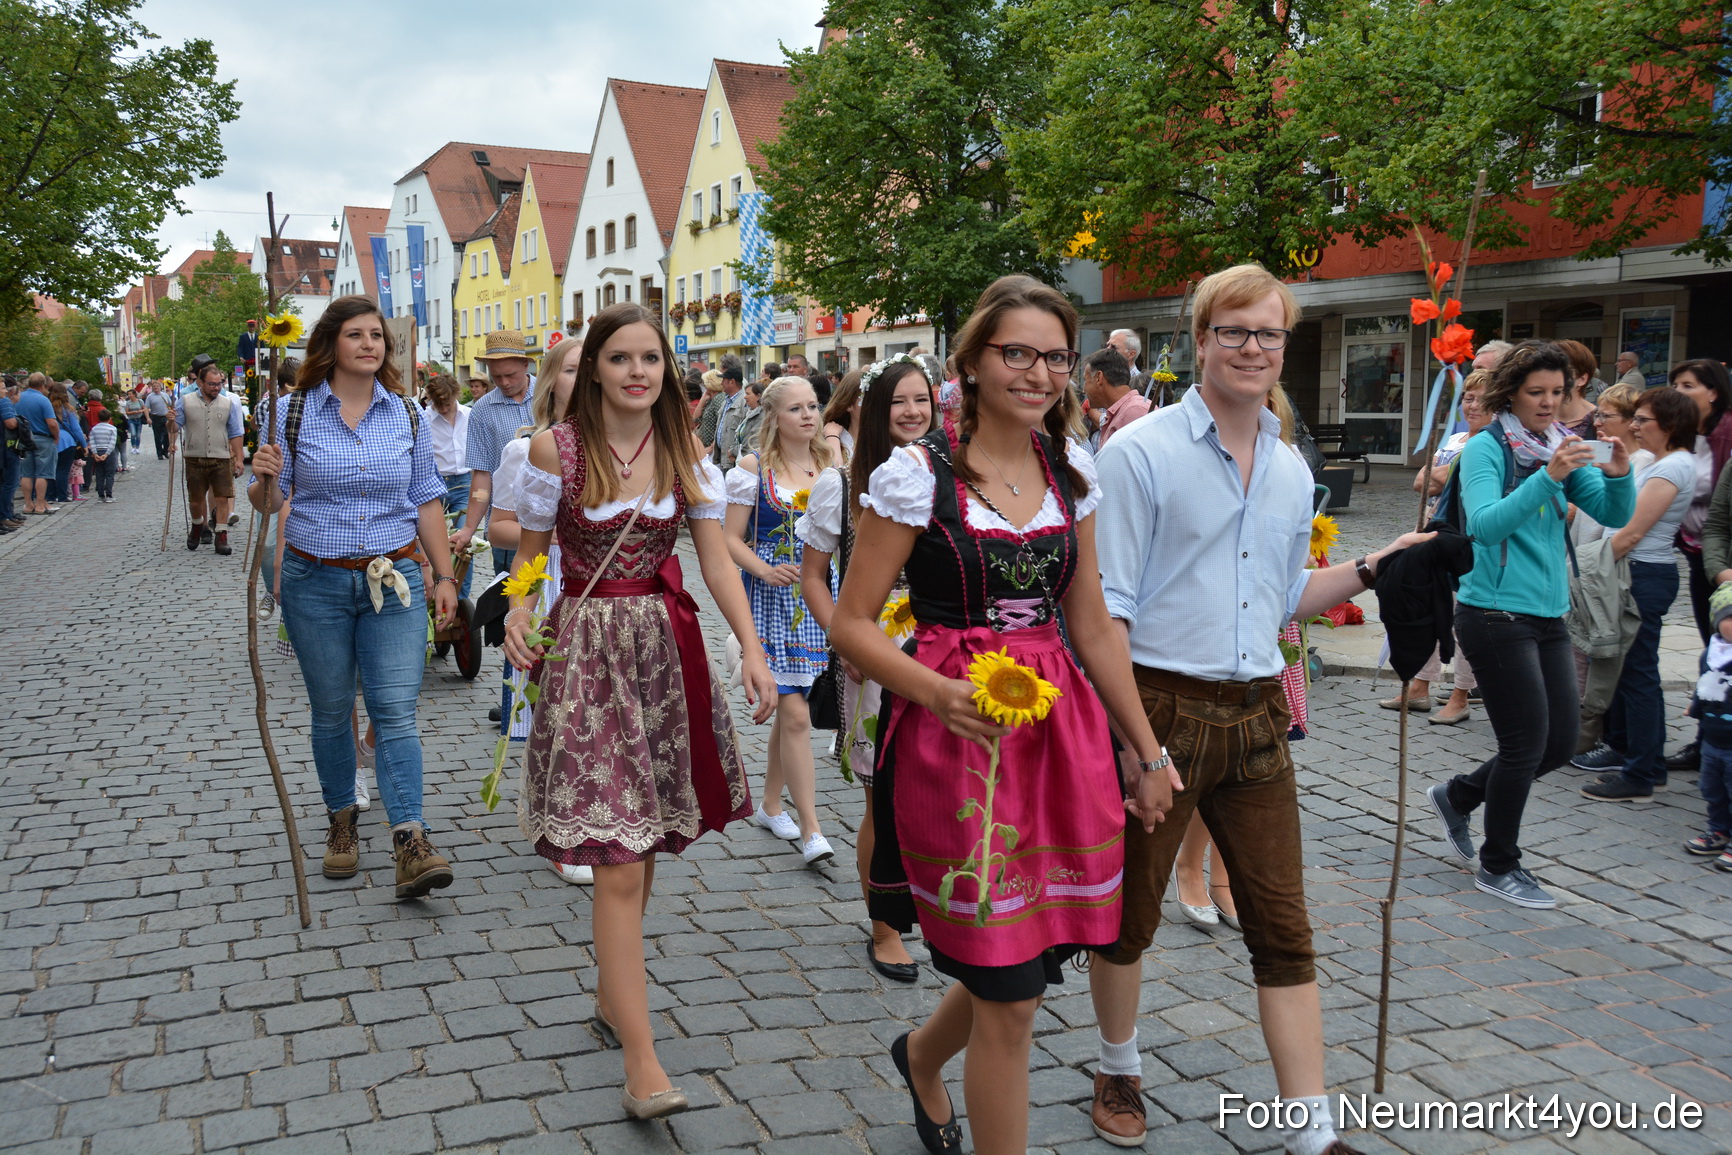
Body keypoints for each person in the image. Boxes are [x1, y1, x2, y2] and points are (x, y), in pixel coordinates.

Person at [830, 275, 1170, 1155]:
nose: (1038, 371)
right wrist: (934, 688)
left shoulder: (1073, 471)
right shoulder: (916, 475)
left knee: (1022, 965)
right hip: (957, 740)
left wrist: (1145, 745)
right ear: (972, 363)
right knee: (1011, 997)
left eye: (1054, 355)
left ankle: (920, 1054)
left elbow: (1090, 622)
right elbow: (853, 621)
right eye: (1015, 352)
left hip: (1058, 739)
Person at [1093, 264, 1428, 1153]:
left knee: (1284, 926)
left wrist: (1374, 564)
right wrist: (1137, 746)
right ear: (1198, 339)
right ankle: (1118, 1063)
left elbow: (1282, 594)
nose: (1252, 348)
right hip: (1160, 704)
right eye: (1234, 331)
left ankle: (1310, 1131)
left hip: (1255, 714)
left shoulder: (1286, 464)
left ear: (1285, 345)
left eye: (1268, 334)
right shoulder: (1140, 452)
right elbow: (1107, 613)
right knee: (1130, 917)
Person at [503, 302, 775, 1120]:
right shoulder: (559, 449)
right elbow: (529, 554)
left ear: (667, 369)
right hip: (586, 654)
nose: (636, 371)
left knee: (645, 836)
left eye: (650, 358)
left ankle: (608, 990)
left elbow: (717, 560)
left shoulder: (686, 451)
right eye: (619, 357)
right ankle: (642, 1058)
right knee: (617, 857)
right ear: (592, 371)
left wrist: (751, 647)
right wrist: (518, 610)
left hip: (663, 648)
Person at [246, 294, 460, 900]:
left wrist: (444, 576)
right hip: (315, 581)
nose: (370, 345)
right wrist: (263, 478)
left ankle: (410, 840)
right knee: (333, 708)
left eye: (378, 337)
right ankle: (342, 819)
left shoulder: (408, 414)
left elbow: (425, 500)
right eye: (356, 335)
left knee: (394, 710)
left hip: (394, 581)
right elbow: (268, 506)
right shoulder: (289, 413)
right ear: (330, 344)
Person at [1425, 340, 1633, 910]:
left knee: (1560, 741)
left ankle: (1458, 794)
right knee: (1524, 744)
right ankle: (1499, 864)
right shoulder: (1488, 449)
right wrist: (1546, 479)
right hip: (1493, 614)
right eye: (1535, 392)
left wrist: (1617, 475)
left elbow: (1613, 514)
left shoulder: (1557, 443)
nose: (1547, 403)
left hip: (1547, 613)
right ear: (1511, 392)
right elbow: (1486, 526)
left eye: (1557, 393)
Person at [797, 353, 934, 982]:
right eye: (899, 403)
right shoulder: (842, 484)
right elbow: (814, 579)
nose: (912, 413)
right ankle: (885, 926)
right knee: (886, 795)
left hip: (936, 649)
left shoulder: (946, 477)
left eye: (922, 402)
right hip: (871, 653)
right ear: (872, 411)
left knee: (931, 787)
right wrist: (845, 642)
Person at [725, 376, 838, 867]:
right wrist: (763, 569)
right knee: (794, 714)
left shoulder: (831, 466)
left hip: (816, 596)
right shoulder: (753, 469)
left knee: (790, 708)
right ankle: (812, 828)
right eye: (796, 409)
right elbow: (728, 539)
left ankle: (771, 805)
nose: (809, 416)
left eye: (813, 406)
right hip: (768, 601)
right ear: (773, 417)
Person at [1576, 387, 1699, 801]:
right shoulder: (1664, 462)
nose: (1634, 425)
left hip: (1640, 574)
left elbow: (1631, 533)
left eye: (1642, 420)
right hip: (1635, 572)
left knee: (1638, 675)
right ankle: (1643, 763)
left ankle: (1642, 773)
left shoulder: (1673, 468)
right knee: (1632, 672)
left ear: (1669, 424)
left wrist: (1585, 569)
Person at [1380, 371, 1492, 722]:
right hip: (1434, 540)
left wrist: (1445, 472)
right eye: (1467, 398)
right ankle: (1419, 688)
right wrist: (1444, 472)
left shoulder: (1494, 444)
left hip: (1469, 544)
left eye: (1480, 398)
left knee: (1463, 620)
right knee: (1428, 609)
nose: (1471, 405)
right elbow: (1420, 482)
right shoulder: (1458, 439)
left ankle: (1460, 696)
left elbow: (1443, 480)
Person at [450, 330, 536, 583]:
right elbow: (482, 474)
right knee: (508, 595)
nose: (505, 382)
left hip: (555, 517)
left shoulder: (552, 395)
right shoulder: (482, 410)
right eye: (496, 376)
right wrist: (468, 528)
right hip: (508, 523)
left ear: (525, 364)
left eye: (511, 375)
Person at [172, 354, 245, 556]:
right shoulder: (184, 401)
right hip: (194, 457)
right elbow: (174, 427)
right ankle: (197, 526)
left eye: (219, 384)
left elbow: (236, 432)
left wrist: (239, 458)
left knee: (222, 498)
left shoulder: (228, 403)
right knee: (195, 500)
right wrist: (170, 420)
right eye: (212, 384)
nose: (216, 387)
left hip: (221, 457)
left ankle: (221, 536)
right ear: (200, 382)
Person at [1684, 584, 1732, 872]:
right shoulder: (1711, 652)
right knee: (1712, 788)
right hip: (1713, 738)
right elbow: (1705, 683)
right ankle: (1718, 830)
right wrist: (1696, 705)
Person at [423, 373, 473, 598]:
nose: (443, 409)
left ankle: (462, 600)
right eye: (438, 404)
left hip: (464, 484)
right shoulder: (424, 419)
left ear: (456, 396)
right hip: (437, 485)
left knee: (465, 543)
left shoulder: (470, 415)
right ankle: (436, 593)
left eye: (447, 403)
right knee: (436, 544)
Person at [1081, 346, 1150, 450]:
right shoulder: (1124, 412)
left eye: (1085, 380)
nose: (1083, 389)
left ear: (1098, 378)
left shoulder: (1135, 412)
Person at [16, 373, 60, 514]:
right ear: (43, 385)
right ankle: (40, 505)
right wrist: (56, 437)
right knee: (43, 473)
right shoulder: (43, 400)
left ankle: (28, 505)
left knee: (26, 473)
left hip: (24, 438)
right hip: (43, 438)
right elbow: (52, 423)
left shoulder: (19, 398)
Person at [698, 365, 744, 465]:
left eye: (724, 380)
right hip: (721, 457)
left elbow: (744, 431)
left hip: (732, 459)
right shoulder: (726, 400)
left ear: (731, 382)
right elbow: (720, 428)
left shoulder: (743, 402)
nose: (721, 383)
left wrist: (733, 452)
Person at [48, 382, 85, 504]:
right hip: (67, 441)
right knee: (63, 470)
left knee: (51, 470)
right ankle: (62, 495)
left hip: (51, 440)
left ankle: (51, 495)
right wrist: (84, 445)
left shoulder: (48, 407)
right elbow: (76, 429)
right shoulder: (68, 409)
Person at [820, 368, 862, 464]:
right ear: (849, 405)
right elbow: (834, 474)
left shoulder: (884, 439)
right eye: (868, 400)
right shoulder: (835, 438)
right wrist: (832, 436)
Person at [720, 379, 765, 469]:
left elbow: (752, 442)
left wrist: (733, 452)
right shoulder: (749, 413)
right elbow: (738, 435)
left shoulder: (761, 416)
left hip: (750, 464)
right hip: (741, 461)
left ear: (758, 396)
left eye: (748, 394)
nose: (745, 397)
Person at [87, 407, 118, 502]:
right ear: (110, 418)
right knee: (109, 474)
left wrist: (95, 453)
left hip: (98, 451)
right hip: (108, 452)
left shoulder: (94, 429)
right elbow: (112, 442)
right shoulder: (112, 428)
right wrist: (107, 454)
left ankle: (100, 495)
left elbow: (91, 441)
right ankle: (109, 495)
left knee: (99, 474)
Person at [145, 382, 171, 458]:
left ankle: (165, 451)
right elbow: (146, 408)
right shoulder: (150, 397)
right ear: (152, 388)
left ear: (160, 387)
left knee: (167, 435)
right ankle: (159, 453)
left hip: (165, 417)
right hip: (156, 417)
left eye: (157, 386)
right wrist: (148, 418)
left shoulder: (165, 395)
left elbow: (170, 404)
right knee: (158, 437)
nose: (156, 387)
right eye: (154, 386)